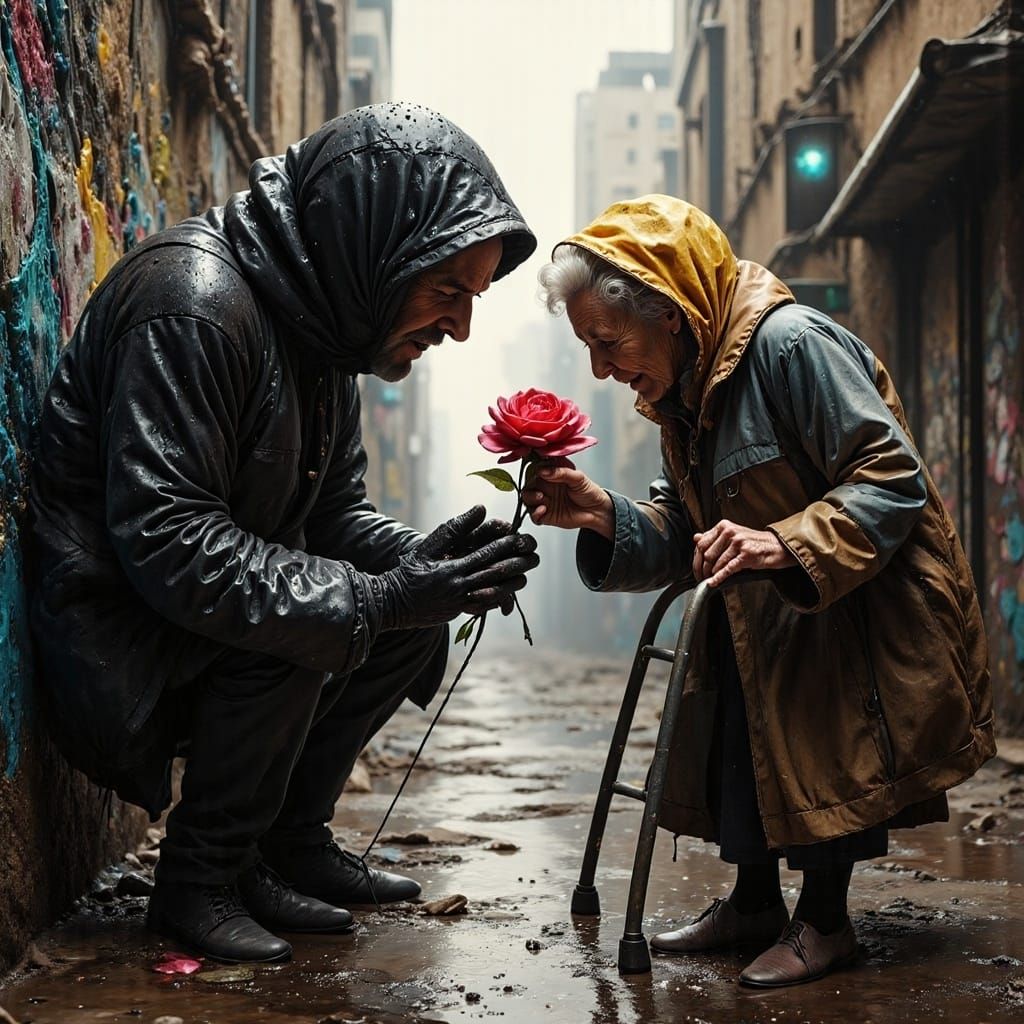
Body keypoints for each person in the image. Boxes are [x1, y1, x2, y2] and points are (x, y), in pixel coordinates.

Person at [28, 104, 541, 965]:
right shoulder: (194, 305)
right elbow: (168, 539)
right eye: (447, 289)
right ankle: (198, 880)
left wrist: (420, 565)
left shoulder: (326, 335)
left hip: (185, 614)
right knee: (317, 621)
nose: (459, 327)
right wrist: (374, 594)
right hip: (116, 636)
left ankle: (286, 843)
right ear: (371, 248)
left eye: (474, 298)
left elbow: (334, 513)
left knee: (399, 620)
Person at [526, 195, 994, 988]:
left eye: (607, 343)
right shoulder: (684, 389)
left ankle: (826, 922)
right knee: (742, 746)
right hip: (762, 617)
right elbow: (689, 533)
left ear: (670, 313)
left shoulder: (790, 344)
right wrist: (603, 515)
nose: (602, 368)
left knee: (822, 739)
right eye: (588, 350)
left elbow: (891, 476)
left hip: (840, 610)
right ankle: (752, 904)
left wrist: (783, 542)